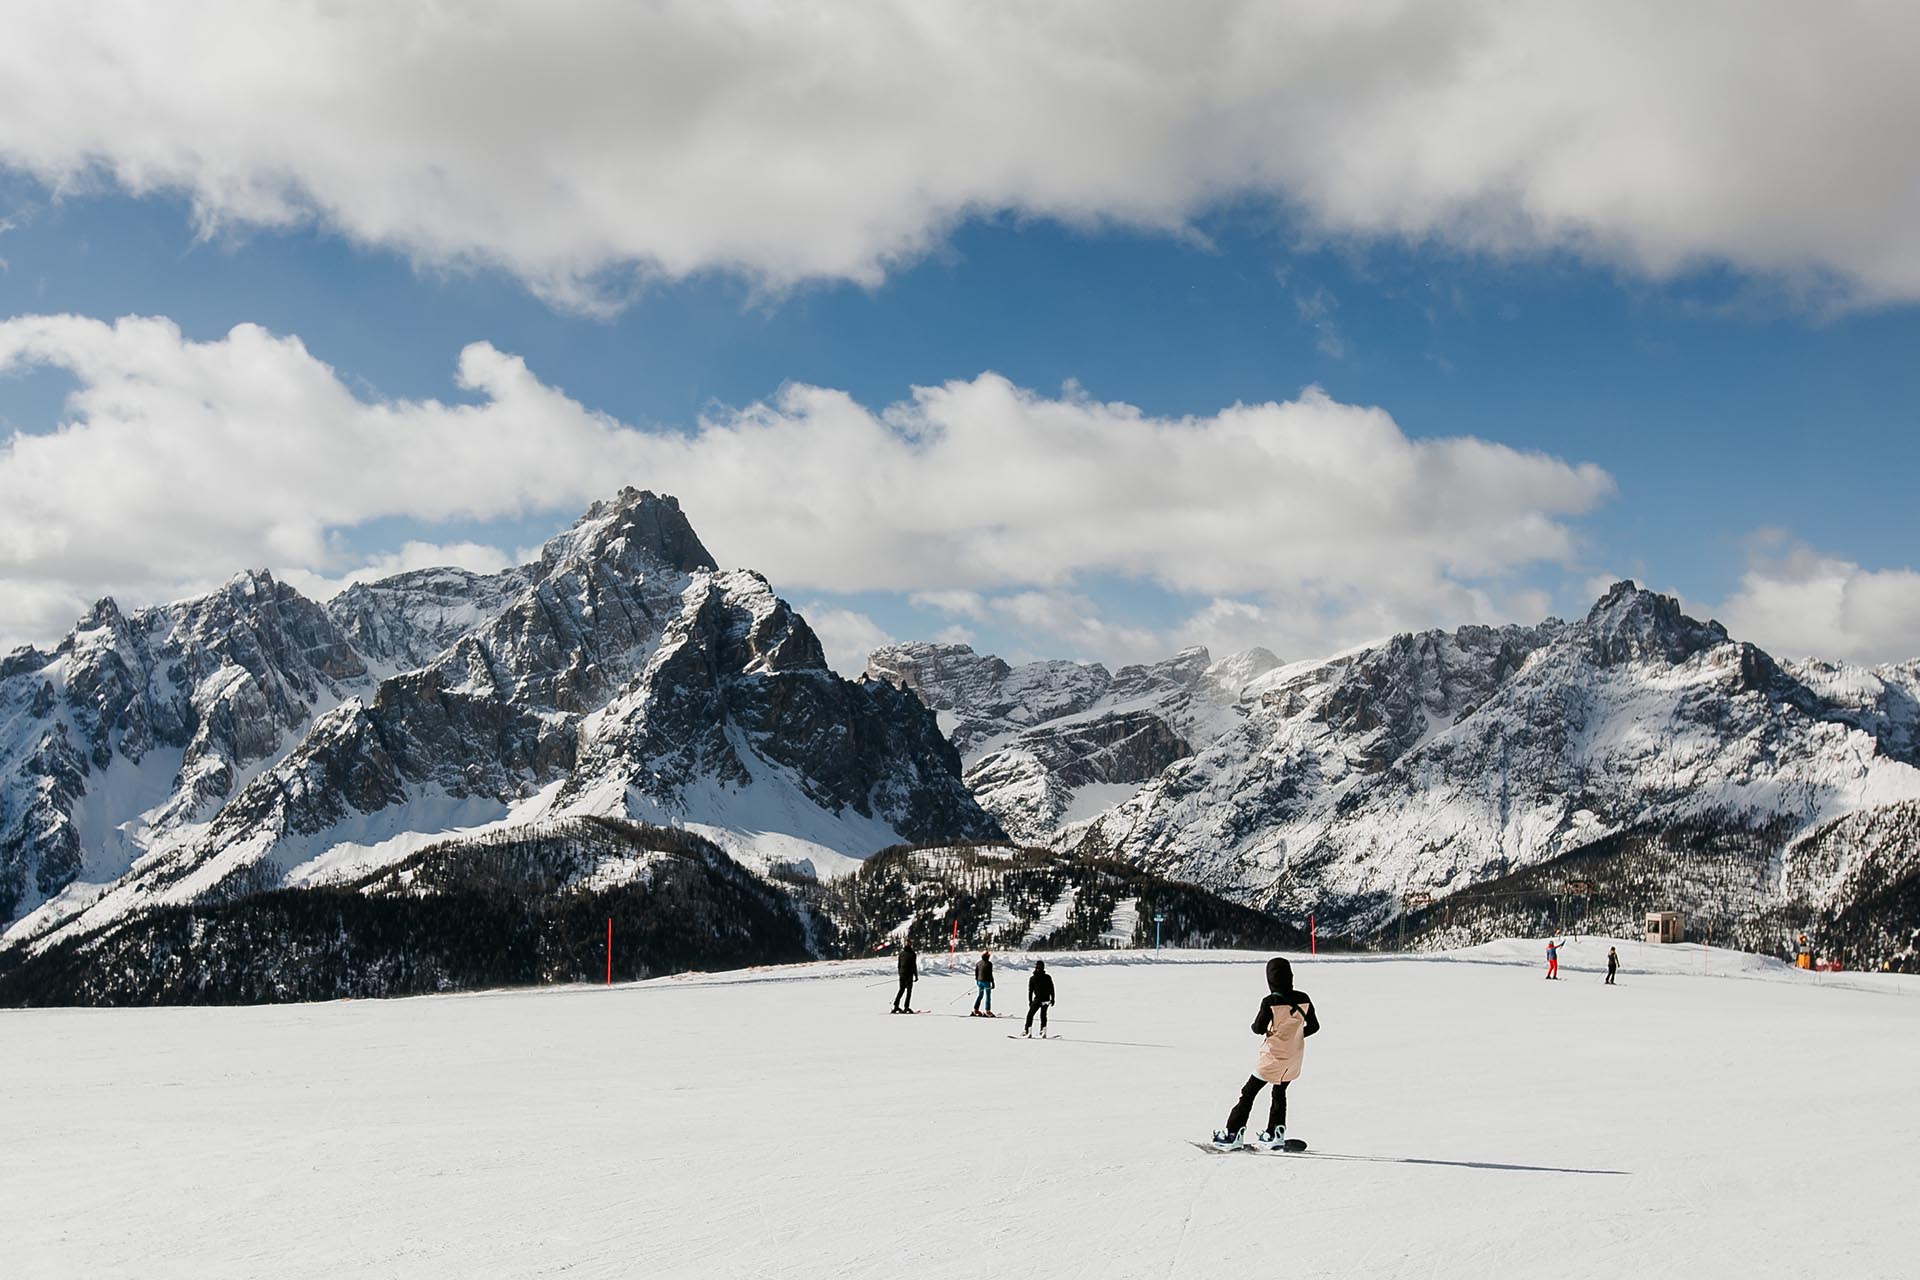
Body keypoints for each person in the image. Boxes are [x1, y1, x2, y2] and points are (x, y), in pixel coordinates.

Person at [1212, 956, 1320, 1149]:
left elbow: (1258, 1028)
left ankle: (1232, 1134)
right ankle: (1275, 1133)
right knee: (1279, 1092)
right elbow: (1314, 1026)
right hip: (1294, 1057)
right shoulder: (1304, 998)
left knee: (1248, 1092)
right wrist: (1294, 1034)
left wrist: (1277, 1032)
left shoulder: (1270, 1001)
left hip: (1272, 1056)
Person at [1023, 960, 1056, 1036]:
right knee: (1043, 1015)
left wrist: (1030, 1001)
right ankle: (1043, 1030)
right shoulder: (1047, 977)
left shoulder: (1033, 978)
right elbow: (1052, 988)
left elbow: (1030, 991)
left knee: (1030, 1015)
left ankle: (1027, 1030)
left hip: (1038, 999)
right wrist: (1053, 999)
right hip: (1046, 999)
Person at [892, 941, 918, 1012]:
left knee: (901, 990)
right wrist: (916, 975)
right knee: (909, 991)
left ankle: (896, 1006)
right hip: (909, 975)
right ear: (910, 945)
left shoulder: (901, 953)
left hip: (902, 974)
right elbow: (913, 966)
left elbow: (899, 965)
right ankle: (906, 1007)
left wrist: (900, 974)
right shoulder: (912, 954)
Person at [971, 951, 995, 1016]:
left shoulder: (978, 963)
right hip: (986, 982)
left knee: (980, 995)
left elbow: (976, 973)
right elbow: (990, 974)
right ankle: (988, 1011)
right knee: (988, 996)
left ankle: (976, 1009)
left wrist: (977, 981)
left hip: (979, 981)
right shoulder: (989, 964)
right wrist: (993, 983)